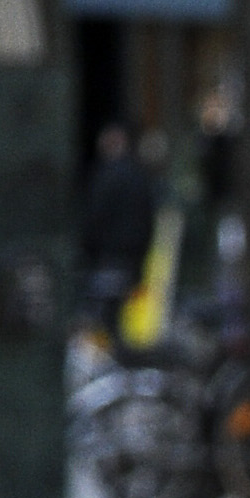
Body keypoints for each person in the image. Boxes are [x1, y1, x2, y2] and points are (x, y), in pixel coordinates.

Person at [77, 123, 157, 343]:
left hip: (108, 258)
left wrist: (88, 252)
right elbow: (149, 220)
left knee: (103, 320)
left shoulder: (105, 177)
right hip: (132, 260)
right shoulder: (139, 176)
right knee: (123, 321)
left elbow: (95, 219)